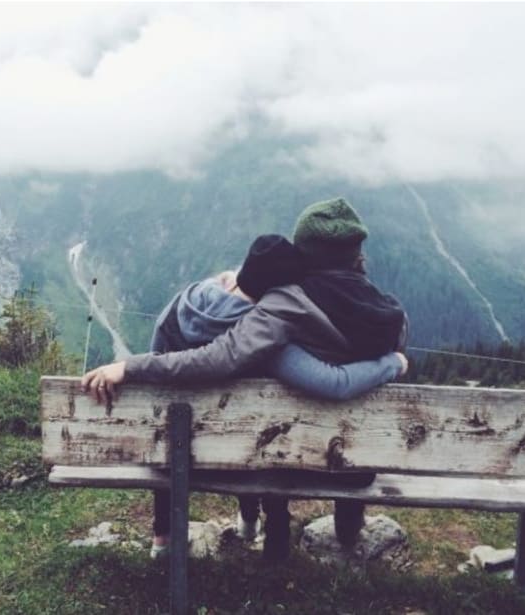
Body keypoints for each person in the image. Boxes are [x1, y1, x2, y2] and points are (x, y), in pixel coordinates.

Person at [82, 197, 408, 559]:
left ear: (305, 254)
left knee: (268, 428)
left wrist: (130, 366)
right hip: (355, 463)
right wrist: (393, 362)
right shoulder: (386, 312)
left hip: (284, 458)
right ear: (356, 254)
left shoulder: (285, 305)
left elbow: (219, 358)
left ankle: (241, 530)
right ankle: (343, 531)